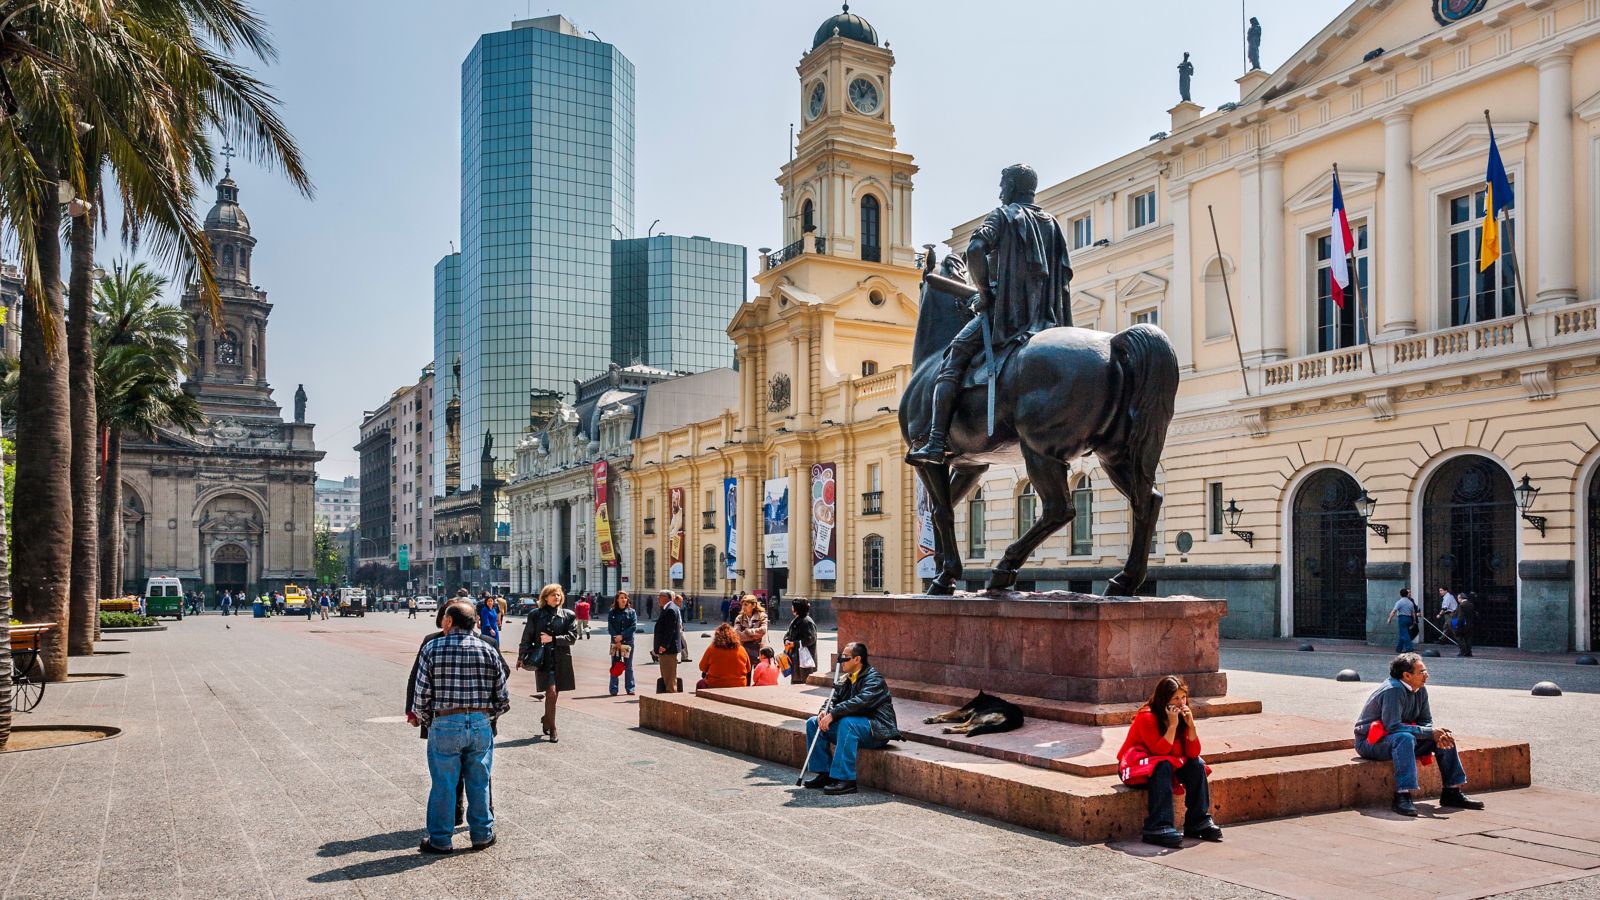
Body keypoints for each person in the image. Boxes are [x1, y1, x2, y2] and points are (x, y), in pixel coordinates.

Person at [906, 163, 1072, 465]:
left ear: (1011, 186)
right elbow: (1063, 277)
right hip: (1047, 319)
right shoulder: (1052, 223)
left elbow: (974, 250)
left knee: (952, 360)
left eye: (1002, 184)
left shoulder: (1003, 216)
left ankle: (935, 439)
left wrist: (984, 293)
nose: (1000, 191)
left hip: (1005, 318)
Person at [412, 600, 509, 854]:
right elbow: (503, 697)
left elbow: (420, 696)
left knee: (443, 782)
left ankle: (441, 840)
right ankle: (482, 835)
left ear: (449, 621)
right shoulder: (487, 649)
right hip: (480, 722)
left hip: (445, 720)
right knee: (479, 780)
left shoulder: (432, 648)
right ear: (475, 622)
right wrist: (486, 717)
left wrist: (430, 720)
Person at [1355, 653, 1485, 817]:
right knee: (1405, 738)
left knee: (1444, 736)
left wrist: (1434, 733)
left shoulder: (1420, 690)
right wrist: (1429, 732)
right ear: (1407, 675)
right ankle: (1403, 794)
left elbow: (1426, 720)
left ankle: (1451, 792)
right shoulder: (1393, 690)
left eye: (1425, 671)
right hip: (1371, 743)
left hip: (1400, 738)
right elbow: (1392, 726)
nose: (1426, 675)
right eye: (1422, 672)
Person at [1116, 675, 1222, 848]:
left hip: (1167, 764)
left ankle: (1198, 821)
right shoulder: (1147, 717)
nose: (1181, 703)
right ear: (1164, 699)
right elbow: (1160, 751)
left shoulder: (1182, 715)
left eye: (1183, 697)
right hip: (1136, 768)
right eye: (1175, 698)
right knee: (1162, 764)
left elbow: (1193, 752)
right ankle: (1158, 826)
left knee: (1196, 765)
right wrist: (1172, 726)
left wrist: (1191, 726)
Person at [802, 642, 900, 796]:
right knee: (813, 722)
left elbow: (861, 702)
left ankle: (846, 780)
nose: (841, 661)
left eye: (845, 657)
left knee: (848, 724)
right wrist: (824, 711)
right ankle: (824, 773)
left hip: (876, 730)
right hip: (854, 727)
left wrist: (833, 714)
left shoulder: (874, 679)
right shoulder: (846, 679)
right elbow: (832, 699)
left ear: (857, 659)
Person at [517, 584, 576, 741]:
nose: (556, 597)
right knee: (550, 691)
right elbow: (527, 637)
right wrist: (521, 656)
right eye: (553, 595)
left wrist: (554, 639)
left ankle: (546, 718)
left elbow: (573, 637)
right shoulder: (535, 615)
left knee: (554, 693)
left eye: (558, 594)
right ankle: (554, 728)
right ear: (545, 597)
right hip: (544, 660)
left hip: (561, 659)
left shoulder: (568, 615)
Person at [699, 624, 752, 688]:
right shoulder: (741, 649)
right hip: (739, 683)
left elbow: (702, 667)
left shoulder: (712, 648)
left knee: (700, 684)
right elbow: (748, 668)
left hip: (716, 683)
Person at [732, 594, 769, 685]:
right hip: (744, 649)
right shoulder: (739, 618)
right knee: (745, 675)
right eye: (743, 604)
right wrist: (754, 635)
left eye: (746, 604)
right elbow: (736, 634)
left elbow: (763, 630)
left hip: (759, 650)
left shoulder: (762, 616)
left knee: (759, 676)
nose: (743, 607)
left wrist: (748, 632)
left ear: (753, 605)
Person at [782, 599, 819, 686]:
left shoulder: (807, 621)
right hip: (795, 656)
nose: (791, 608)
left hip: (804, 658)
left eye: (793, 606)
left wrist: (795, 644)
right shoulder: (797, 619)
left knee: (803, 680)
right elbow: (788, 634)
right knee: (796, 678)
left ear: (797, 608)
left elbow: (811, 639)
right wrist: (786, 640)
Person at [608, 591, 638, 696]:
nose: (624, 600)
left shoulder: (631, 612)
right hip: (615, 643)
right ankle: (613, 689)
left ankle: (630, 688)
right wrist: (616, 637)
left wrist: (622, 636)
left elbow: (633, 627)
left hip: (627, 643)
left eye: (625, 598)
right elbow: (610, 627)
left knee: (628, 666)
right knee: (615, 665)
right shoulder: (612, 612)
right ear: (617, 599)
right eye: (621, 598)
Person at [654, 590, 684, 693]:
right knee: (668, 676)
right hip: (668, 649)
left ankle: (671, 698)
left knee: (669, 678)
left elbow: (670, 630)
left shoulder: (670, 609)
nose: (658, 599)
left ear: (665, 597)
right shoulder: (668, 608)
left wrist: (664, 645)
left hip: (668, 649)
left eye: (659, 596)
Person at [1386, 587, 1420, 653]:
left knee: (1405, 634)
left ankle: (1409, 648)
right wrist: (1414, 620)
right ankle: (1399, 648)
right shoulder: (1410, 603)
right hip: (1409, 618)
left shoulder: (1399, 602)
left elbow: (1394, 611)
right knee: (1402, 633)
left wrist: (1389, 618)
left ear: (1400, 594)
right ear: (1407, 594)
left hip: (1402, 618)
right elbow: (1413, 612)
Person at [1454, 593, 1475, 658]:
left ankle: (1463, 651)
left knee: (1459, 637)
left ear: (1460, 598)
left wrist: (1458, 625)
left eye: (1458, 598)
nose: (1457, 600)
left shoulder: (1461, 605)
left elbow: (1460, 617)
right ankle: (1469, 652)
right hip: (1470, 624)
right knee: (1468, 638)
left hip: (1463, 625)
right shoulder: (1471, 604)